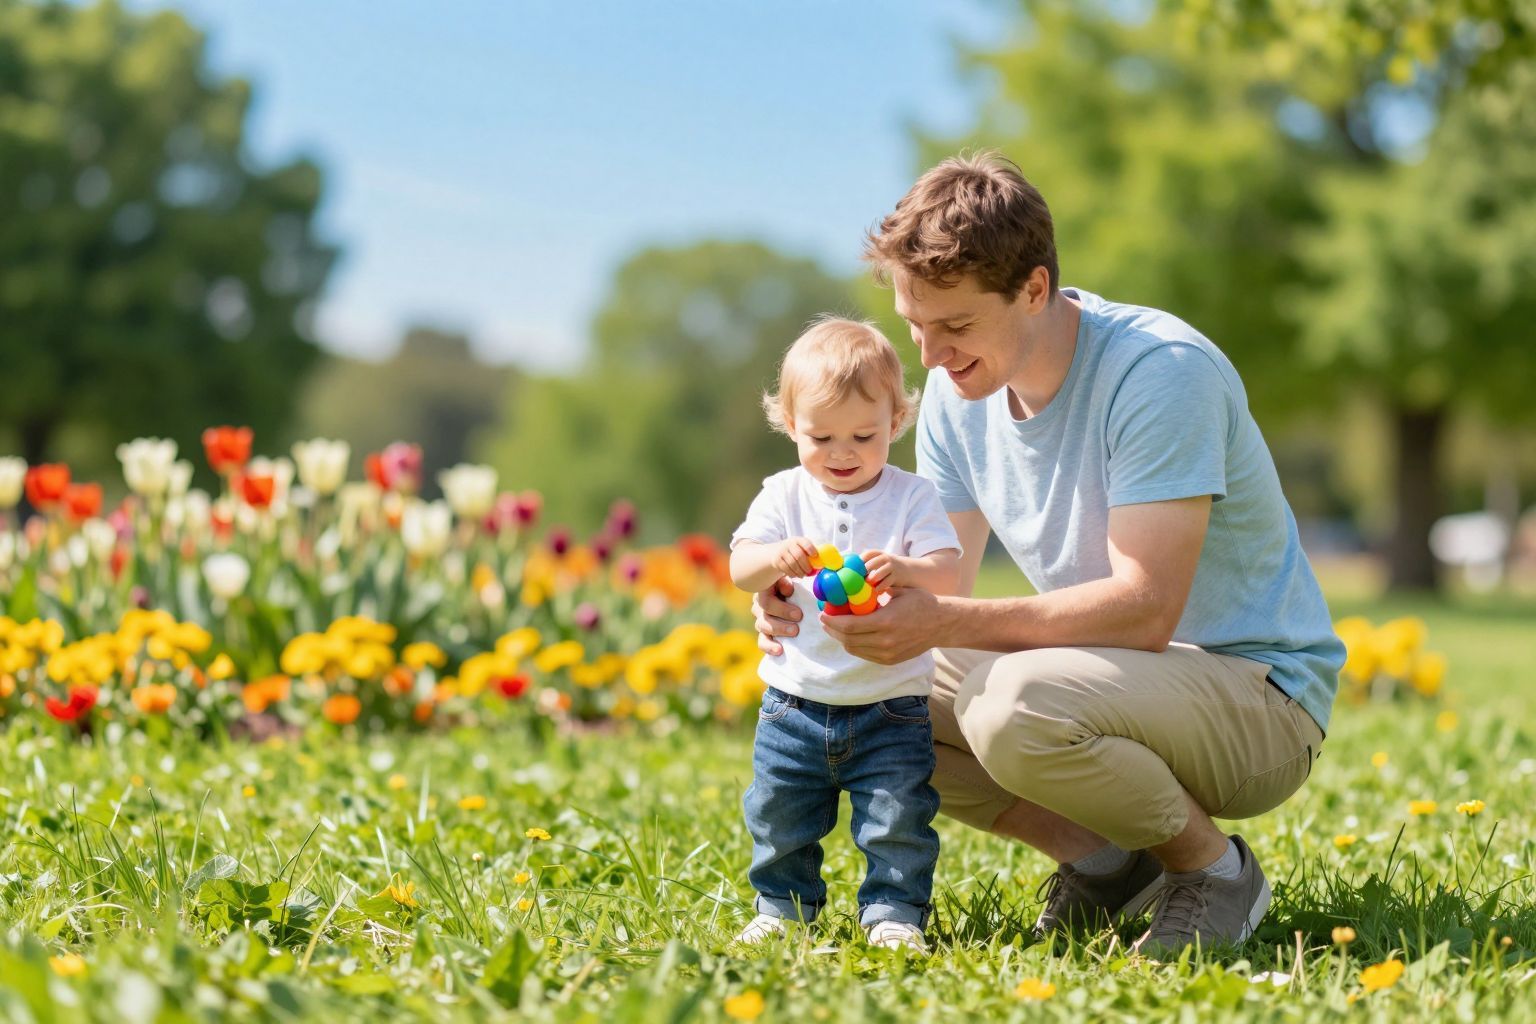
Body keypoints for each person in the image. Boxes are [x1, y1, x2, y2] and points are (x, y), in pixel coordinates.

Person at [752, 153, 1345, 957]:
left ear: (1034, 289)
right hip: (1114, 680)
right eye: (914, 325)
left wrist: (940, 619)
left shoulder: (1160, 373)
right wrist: (818, 610)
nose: (929, 355)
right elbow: (937, 585)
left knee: (1012, 704)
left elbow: (1145, 608)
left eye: (955, 326)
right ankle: (1105, 860)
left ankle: (1213, 871)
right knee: (878, 688)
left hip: (1256, 696)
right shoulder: (960, 399)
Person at [729, 316, 963, 952]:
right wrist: (774, 559)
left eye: (864, 434)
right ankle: (782, 907)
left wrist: (908, 568)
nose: (841, 452)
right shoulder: (783, 494)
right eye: (820, 436)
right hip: (793, 704)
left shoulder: (913, 497)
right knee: (779, 815)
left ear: (896, 422)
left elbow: (949, 574)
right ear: (789, 424)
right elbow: (739, 564)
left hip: (890, 706)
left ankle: (894, 914)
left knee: (898, 819)